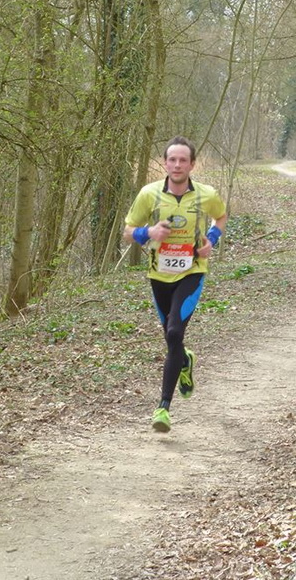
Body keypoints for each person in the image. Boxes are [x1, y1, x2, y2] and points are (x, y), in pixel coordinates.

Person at [123, 136, 227, 433]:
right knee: (173, 341)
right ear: (165, 163)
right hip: (159, 276)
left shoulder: (206, 195)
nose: (177, 165)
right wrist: (148, 232)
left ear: (192, 164)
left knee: (173, 331)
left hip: (192, 272)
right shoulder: (149, 194)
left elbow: (220, 218)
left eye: (183, 160)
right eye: (172, 160)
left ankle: (163, 408)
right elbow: (128, 231)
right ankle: (185, 360)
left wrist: (212, 240)